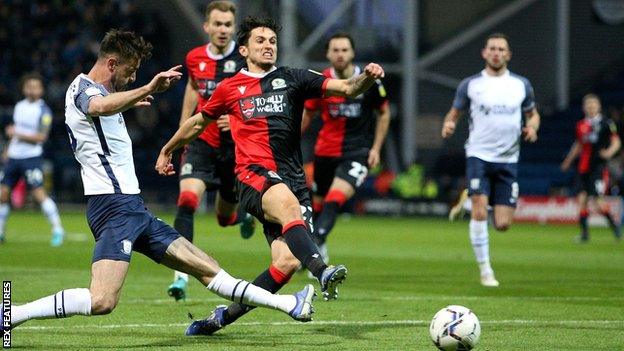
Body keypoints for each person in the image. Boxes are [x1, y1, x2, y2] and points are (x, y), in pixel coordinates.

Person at [9, 29, 315, 334]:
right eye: (131, 71)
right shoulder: (83, 89)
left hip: (133, 209)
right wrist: (145, 89)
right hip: (113, 207)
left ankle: (290, 303)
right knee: (101, 300)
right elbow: (97, 106)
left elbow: (104, 106)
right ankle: (12, 313)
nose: (132, 77)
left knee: (207, 268)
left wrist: (128, 101)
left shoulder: (102, 93)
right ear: (112, 64)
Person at [156, 16, 384, 335]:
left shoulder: (294, 78)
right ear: (245, 49)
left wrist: (367, 77)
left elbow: (346, 88)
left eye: (272, 41)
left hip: (293, 181)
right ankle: (321, 271)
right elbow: (197, 123)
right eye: (260, 41)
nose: (268, 46)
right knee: (289, 210)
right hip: (253, 175)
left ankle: (220, 319)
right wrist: (168, 148)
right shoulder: (230, 88)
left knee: (285, 264)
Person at [167, 0, 255, 303]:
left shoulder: (245, 60)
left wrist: (236, 118)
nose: (222, 29)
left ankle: (241, 216)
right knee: (188, 200)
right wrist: (182, 131)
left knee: (222, 217)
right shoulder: (194, 58)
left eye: (228, 25)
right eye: (217, 24)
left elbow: (256, 96)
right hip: (202, 142)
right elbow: (193, 87)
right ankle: (180, 274)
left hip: (234, 148)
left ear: (234, 28)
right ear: (207, 26)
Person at [441, 33, 540, 287]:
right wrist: (449, 125)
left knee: (503, 224)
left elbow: (532, 114)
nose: (497, 52)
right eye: (492, 48)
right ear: (485, 53)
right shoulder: (471, 85)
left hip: (508, 160)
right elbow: (454, 113)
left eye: (501, 49)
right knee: (480, 211)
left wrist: (532, 127)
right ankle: (486, 271)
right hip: (479, 155)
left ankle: (469, 199)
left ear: (508, 54)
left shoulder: (521, 85)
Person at [301, 32, 390, 263]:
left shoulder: (370, 80)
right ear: (328, 54)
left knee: (335, 199)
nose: (340, 54)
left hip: (357, 152)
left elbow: (384, 113)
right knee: (318, 205)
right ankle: (318, 250)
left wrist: (376, 148)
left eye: (344, 50)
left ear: (352, 53)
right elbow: (307, 114)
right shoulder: (321, 81)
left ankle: (314, 247)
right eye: (335, 50)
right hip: (324, 153)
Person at [0, 73, 65, 246]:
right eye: (29, 86)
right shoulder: (19, 106)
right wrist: (7, 149)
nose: (32, 90)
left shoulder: (44, 111)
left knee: (38, 193)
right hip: (14, 156)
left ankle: (57, 228)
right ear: (24, 88)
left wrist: (17, 134)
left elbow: (42, 137)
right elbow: (16, 131)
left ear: (41, 90)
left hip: (31, 157)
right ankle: (0, 231)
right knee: (3, 193)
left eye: (36, 87)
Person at [560, 94, 621, 242]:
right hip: (583, 168)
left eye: (593, 104)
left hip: (598, 168)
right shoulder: (581, 125)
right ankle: (585, 235)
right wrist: (568, 161)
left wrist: (609, 152)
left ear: (599, 106)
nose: (591, 106)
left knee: (598, 202)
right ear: (584, 107)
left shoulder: (606, 123)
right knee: (581, 200)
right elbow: (579, 144)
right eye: (588, 104)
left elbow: (616, 141)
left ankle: (616, 228)